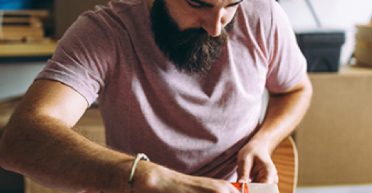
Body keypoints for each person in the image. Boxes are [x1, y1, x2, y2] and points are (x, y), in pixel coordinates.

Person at [0, 0, 312, 192]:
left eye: (231, 4)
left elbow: (295, 89)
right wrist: (147, 178)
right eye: (198, 3)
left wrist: (264, 141)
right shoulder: (105, 33)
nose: (216, 28)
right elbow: (22, 139)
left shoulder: (265, 15)